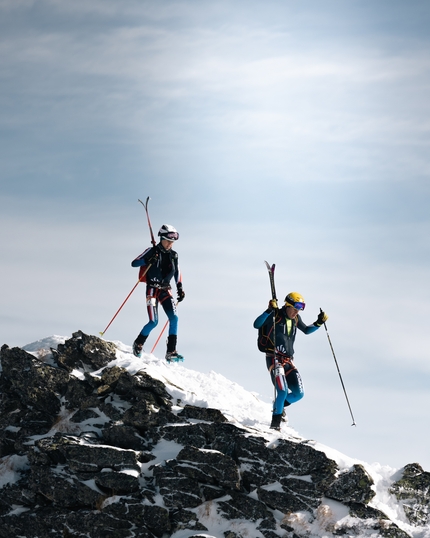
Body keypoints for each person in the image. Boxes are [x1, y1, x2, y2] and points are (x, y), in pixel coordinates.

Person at [253, 292, 328, 431]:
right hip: (274, 358)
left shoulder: (296, 319)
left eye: (298, 310)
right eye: (294, 309)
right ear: (287, 305)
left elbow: (306, 330)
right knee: (282, 391)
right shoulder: (275, 315)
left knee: (299, 394)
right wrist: (269, 310)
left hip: (288, 360)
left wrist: (319, 323)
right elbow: (256, 324)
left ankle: (279, 406)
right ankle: (275, 425)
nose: (296, 312)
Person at [131, 224, 185, 361]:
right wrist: (147, 260)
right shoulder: (152, 251)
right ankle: (138, 343)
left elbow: (177, 271)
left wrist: (180, 288)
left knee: (174, 318)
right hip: (152, 289)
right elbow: (134, 263)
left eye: (172, 242)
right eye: (168, 241)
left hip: (165, 289)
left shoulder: (174, 255)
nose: (170, 244)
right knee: (154, 322)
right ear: (161, 238)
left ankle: (171, 352)